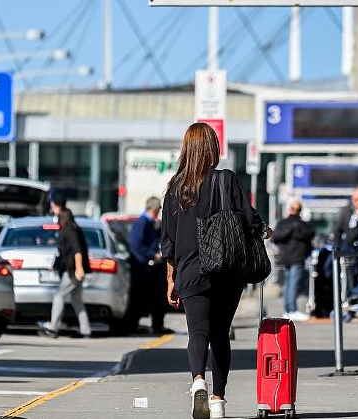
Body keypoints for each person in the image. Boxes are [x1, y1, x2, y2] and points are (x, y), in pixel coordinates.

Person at [161, 122, 271, 419]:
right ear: (213, 149)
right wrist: (265, 230)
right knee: (221, 335)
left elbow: (168, 241)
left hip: (190, 271)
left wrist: (171, 279)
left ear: (187, 150)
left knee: (198, 331)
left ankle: (198, 381)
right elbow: (249, 218)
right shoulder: (226, 180)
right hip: (226, 269)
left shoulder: (175, 188)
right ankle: (218, 400)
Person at [39, 195, 92, 339]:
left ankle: (53, 327)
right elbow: (64, 251)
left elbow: (77, 250)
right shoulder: (70, 227)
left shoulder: (69, 229)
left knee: (59, 296)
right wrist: (56, 265)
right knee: (76, 299)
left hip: (74, 270)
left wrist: (79, 268)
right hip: (74, 269)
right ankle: (85, 330)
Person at [128, 196, 173, 335]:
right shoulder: (142, 223)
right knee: (140, 299)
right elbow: (136, 246)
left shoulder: (148, 224)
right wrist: (152, 255)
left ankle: (156, 325)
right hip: (143, 268)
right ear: (154, 209)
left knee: (155, 299)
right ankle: (135, 325)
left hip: (148, 268)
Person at [272, 199, 314, 321]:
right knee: (293, 284)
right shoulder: (301, 225)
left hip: (285, 257)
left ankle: (287, 310)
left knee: (288, 284)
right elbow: (310, 234)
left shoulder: (283, 223)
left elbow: (275, 237)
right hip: (297, 257)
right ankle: (292, 309)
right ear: (300, 211)